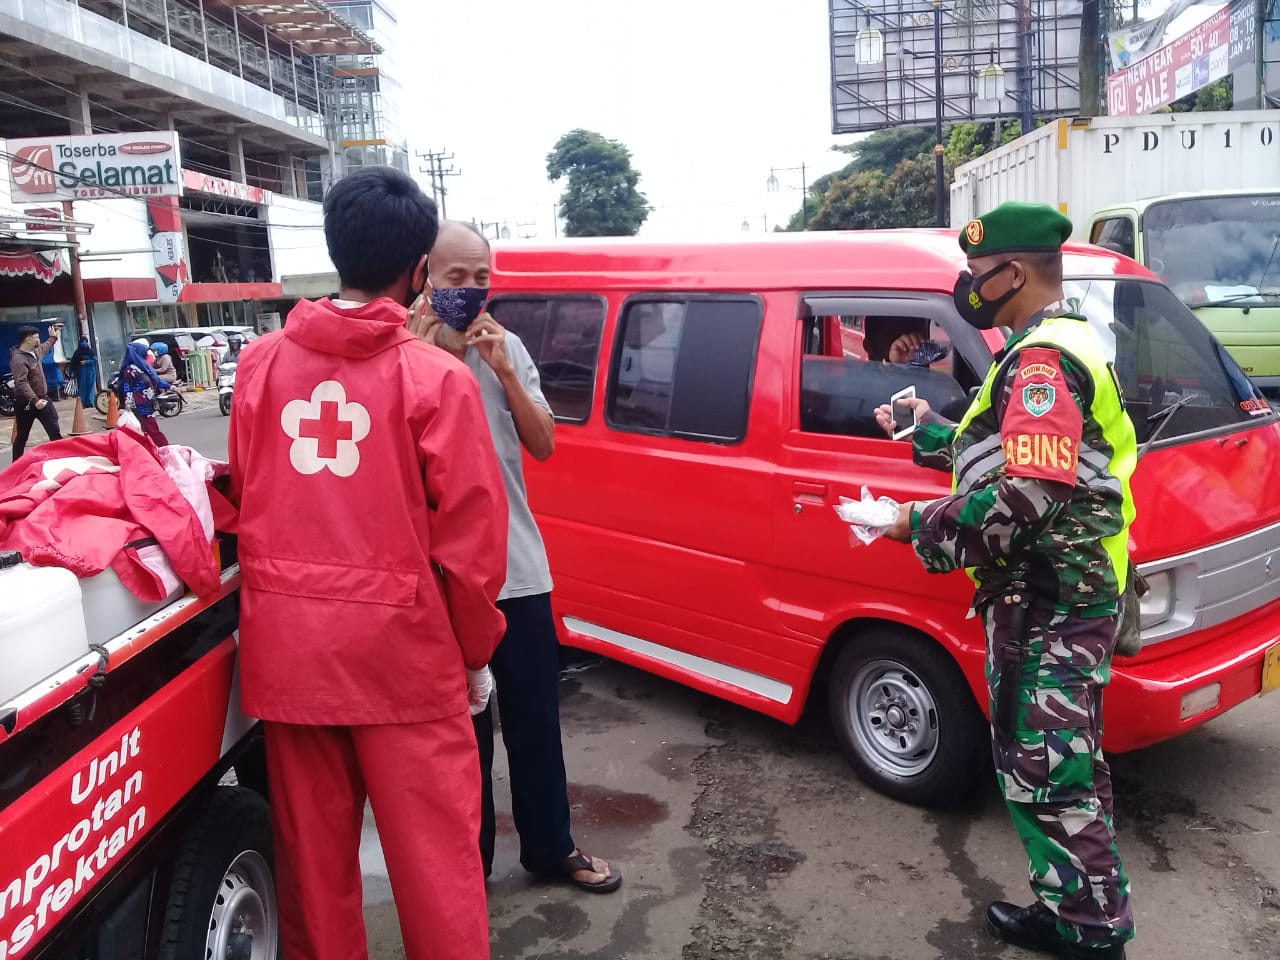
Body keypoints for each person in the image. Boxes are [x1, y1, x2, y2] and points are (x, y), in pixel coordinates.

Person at [228, 167, 509, 960]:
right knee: (436, 873)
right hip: (407, 665)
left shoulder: (259, 367)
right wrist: (476, 653)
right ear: (418, 271)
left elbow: (250, 492)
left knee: (314, 879)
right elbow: (471, 545)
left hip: (291, 657)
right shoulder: (435, 379)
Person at [874, 202, 1136, 960]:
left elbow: (1029, 495)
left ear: (1012, 273)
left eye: (977, 275)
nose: (970, 288)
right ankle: (1074, 908)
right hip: (1062, 591)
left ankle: (1089, 934)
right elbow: (1019, 454)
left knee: (1048, 770)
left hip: (1049, 597)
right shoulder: (1061, 339)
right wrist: (930, 430)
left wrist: (912, 526)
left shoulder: (1044, 361)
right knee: (1059, 763)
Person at [409, 221, 622, 894]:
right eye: (455, 278)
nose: (470, 291)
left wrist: (502, 368)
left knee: (535, 720)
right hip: (443, 580)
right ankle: (468, 868)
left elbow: (545, 444)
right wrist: (426, 356)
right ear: (424, 276)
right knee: (462, 738)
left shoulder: (510, 349)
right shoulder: (403, 356)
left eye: (481, 278)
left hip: (517, 571)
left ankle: (550, 846)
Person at [9, 323, 63, 461]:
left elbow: (45, 346)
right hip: (27, 403)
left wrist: (53, 338)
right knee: (22, 436)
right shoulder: (18, 359)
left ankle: (62, 460)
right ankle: (16, 466)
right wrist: (35, 400)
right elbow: (21, 382)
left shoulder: (36, 352)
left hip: (43, 400)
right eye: (36, 337)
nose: (39, 340)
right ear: (28, 340)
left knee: (55, 432)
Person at [119, 342, 172, 448]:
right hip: (139, 406)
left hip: (149, 404)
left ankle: (155, 450)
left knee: (150, 430)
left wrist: (171, 387)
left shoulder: (144, 366)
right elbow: (127, 387)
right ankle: (166, 449)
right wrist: (128, 401)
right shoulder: (131, 370)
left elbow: (156, 380)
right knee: (151, 431)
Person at [69, 334, 98, 406]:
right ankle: (82, 403)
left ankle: (90, 402)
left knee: (90, 387)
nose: (84, 344)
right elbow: (73, 363)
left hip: (90, 372)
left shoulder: (91, 351)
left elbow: (94, 360)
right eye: (82, 342)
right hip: (81, 373)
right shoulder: (77, 353)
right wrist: (72, 372)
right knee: (82, 388)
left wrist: (86, 362)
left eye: (85, 342)